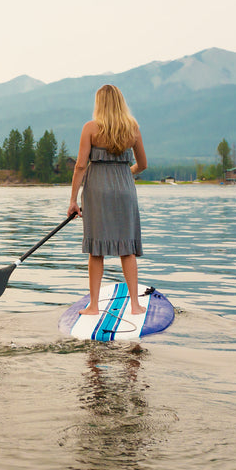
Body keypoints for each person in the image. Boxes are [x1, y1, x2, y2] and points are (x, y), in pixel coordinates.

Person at [67, 84, 148, 315]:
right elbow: (143, 165)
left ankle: (93, 306)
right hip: (125, 190)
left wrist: (73, 200)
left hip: (97, 190)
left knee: (96, 249)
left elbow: (81, 165)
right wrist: (123, 174)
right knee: (127, 248)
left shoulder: (90, 128)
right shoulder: (132, 128)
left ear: (99, 103)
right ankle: (135, 305)